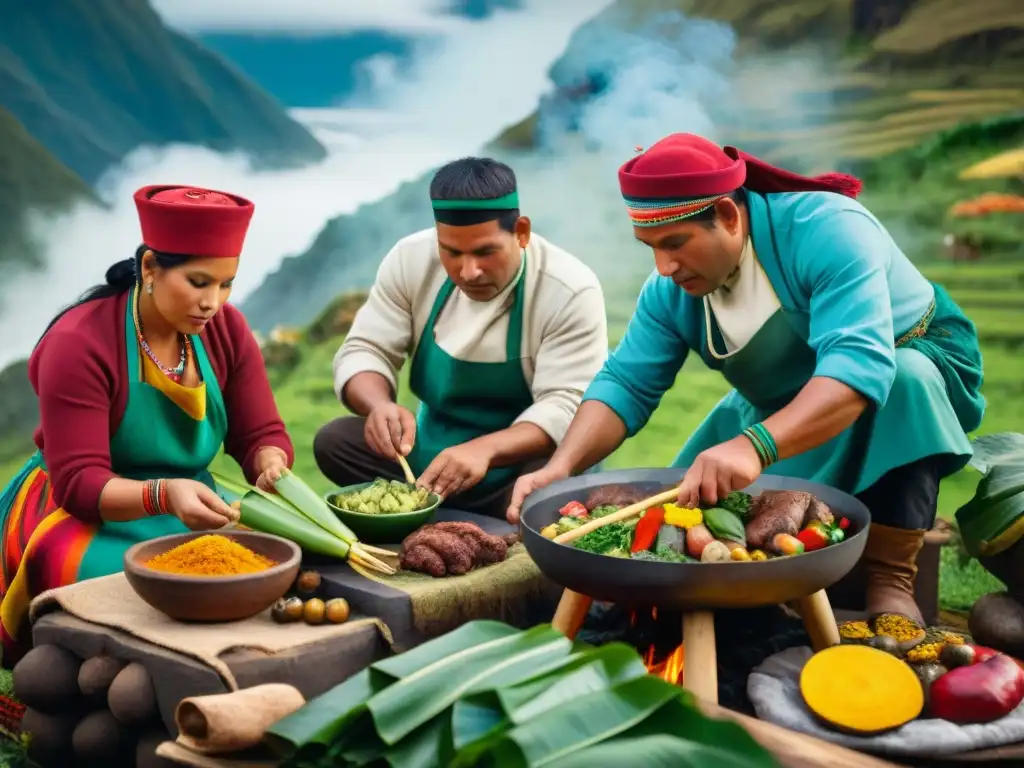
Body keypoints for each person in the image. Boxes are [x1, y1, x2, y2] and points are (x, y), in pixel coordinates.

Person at [507, 133, 984, 625]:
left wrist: (754, 446)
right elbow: (626, 384)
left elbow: (857, 368)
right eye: (650, 247)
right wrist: (560, 467)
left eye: (675, 243)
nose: (664, 266)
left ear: (730, 217)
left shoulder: (830, 231)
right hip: (776, 401)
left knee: (907, 379)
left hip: (901, 368)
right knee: (684, 510)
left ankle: (891, 579)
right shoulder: (668, 292)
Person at [0, 185, 294, 662]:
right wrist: (164, 493)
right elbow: (79, 482)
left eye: (226, 284)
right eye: (199, 282)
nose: (213, 302)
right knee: (114, 586)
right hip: (82, 512)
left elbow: (258, 433)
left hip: (192, 503)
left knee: (270, 559)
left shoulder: (225, 330)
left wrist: (269, 462)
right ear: (152, 268)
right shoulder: (80, 343)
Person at [314, 157, 609, 519]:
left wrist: (483, 450)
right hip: (432, 454)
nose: (468, 272)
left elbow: (567, 405)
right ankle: (438, 509)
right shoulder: (410, 259)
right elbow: (366, 349)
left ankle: (451, 517)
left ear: (521, 232)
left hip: (518, 465)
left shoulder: (568, 287)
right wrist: (379, 407)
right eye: (451, 252)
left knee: (551, 488)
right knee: (335, 442)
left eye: (485, 252)